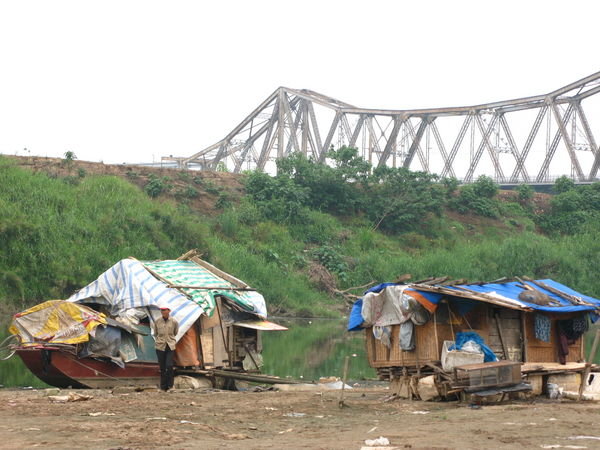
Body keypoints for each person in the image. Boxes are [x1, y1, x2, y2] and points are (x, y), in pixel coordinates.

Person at [152, 306, 179, 391]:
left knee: (169, 365)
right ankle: (163, 387)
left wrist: (170, 339)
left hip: (170, 345)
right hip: (160, 346)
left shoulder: (174, 321)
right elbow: (155, 333)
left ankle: (170, 386)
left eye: (165, 310)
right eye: (162, 310)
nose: (163, 312)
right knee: (162, 367)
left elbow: (175, 332)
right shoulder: (157, 321)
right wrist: (160, 340)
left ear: (169, 311)